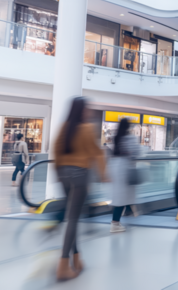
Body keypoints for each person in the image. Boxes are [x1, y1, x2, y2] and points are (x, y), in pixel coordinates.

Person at [53, 97, 107, 281]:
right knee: (73, 220)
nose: (89, 112)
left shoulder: (64, 127)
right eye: (87, 109)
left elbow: (56, 150)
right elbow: (96, 152)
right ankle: (63, 265)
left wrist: (58, 174)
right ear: (82, 111)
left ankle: (76, 259)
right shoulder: (86, 128)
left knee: (71, 218)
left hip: (64, 175)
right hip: (79, 176)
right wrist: (103, 175)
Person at [109, 118, 142, 233]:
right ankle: (115, 223)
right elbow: (137, 152)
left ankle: (126, 213)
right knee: (122, 198)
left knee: (120, 196)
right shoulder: (130, 138)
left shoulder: (116, 137)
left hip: (115, 167)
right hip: (125, 169)